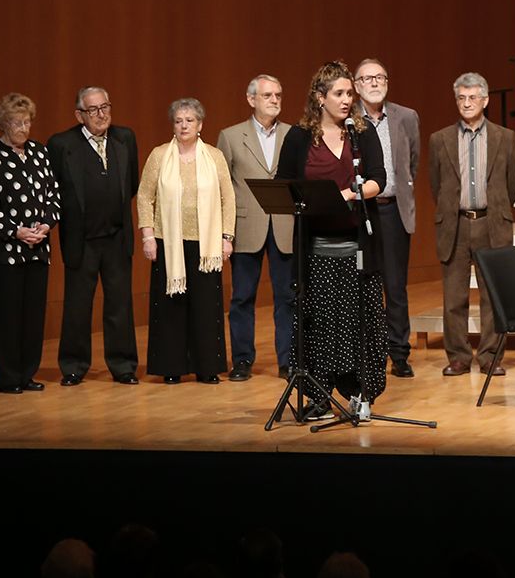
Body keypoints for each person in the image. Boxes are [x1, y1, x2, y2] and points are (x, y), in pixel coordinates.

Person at [275, 61, 388, 422]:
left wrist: (351, 194)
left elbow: (378, 179)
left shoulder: (362, 133)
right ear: (320, 98)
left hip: (357, 249)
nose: (346, 100)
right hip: (317, 251)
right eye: (338, 94)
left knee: (358, 326)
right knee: (320, 328)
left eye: (348, 94)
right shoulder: (298, 137)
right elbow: (285, 183)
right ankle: (321, 397)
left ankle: (359, 394)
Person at [427, 72, 515, 377]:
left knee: (493, 295)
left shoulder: (505, 137)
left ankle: (491, 355)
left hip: (490, 222)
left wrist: (494, 208)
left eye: (473, 97)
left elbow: (513, 185)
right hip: (454, 225)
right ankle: (458, 357)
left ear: (485, 100)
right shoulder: (439, 139)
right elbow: (435, 184)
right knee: (454, 297)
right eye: (461, 98)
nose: (467, 103)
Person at [137, 98, 236, 384]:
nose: (184, 125)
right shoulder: (159, 156)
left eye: (190, 120)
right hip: (169, 242)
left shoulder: (215, 156)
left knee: (206, 308)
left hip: (206, 246)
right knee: (171, 308)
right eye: (179, 120)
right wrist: (147, 235)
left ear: (200, 125)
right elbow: (145, 196)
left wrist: (226, 237)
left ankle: (207, 367)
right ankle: (172, 367)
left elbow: (227, 198)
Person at [48, 86, 141, 387]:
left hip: (116, 237)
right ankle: (73, 366)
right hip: (82, 239)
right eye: (93, 110)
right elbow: (56, 190)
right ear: (79, 114)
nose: (101, 115)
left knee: (120, 304)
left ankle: (123, 365)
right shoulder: (62, 144)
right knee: (77, 306)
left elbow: (132, 184)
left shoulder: (124, 138)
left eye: (105, 107)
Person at [0, 93, 60, 394]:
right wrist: (16, 231)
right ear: (2, 124)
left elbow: (53, 195)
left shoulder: (39, 152)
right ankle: (9, 377)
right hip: (6, 252)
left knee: (32, 316)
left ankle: (27, 373)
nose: (23, 128)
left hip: (38, 250)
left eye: (27, 122)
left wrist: (46, 224)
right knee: (8, 316)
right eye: (16, 122)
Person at [216, 75, 295, 381]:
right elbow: (224, 188)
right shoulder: (231, 135)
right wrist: (225, 233)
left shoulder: (294, 134)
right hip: (246, 226)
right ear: (251, 100)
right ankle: (242, 360)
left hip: (284, 225)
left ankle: (288, 361)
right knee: (242, 297)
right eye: (267, 95)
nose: (274, 100)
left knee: (287, 297)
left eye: (278, 94)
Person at [353, 59, 421, 379]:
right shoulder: (348, 119)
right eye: (368, 78)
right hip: (361, 211)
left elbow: (413, 162)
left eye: (380, 77)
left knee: (395, 286)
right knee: (365, 283)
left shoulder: (406, 117)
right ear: (356, 86)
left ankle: (399, 353)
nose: (375, 83)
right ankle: (369, 349)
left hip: (394, 209)